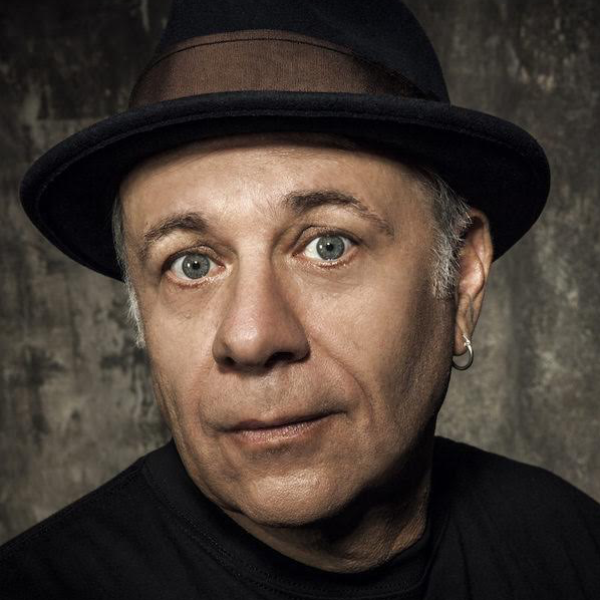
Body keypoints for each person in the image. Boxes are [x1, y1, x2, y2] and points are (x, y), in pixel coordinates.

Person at [1, 0, 599, 598]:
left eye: (328, 246)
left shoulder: (571, 546)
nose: (251, 337)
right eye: (192, 264)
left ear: (462, 276)